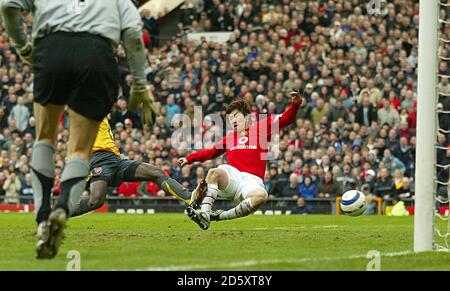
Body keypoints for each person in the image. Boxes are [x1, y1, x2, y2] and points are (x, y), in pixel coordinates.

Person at [0, 0, 157, 259]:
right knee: (80, 149)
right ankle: (62, 209)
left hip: (52, 50)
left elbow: (7, 5)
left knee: (44, 139)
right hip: (97, 55)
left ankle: (43, 219)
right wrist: (140, 83)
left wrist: (23, 47)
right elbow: (132, 33)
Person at [178, 90, 304, 230]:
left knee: (261, 196)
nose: (233, 120)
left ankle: (219, 216)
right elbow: (211, 152)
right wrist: (189, 158)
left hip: (252, 181)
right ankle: (205, 214)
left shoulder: (261, 127)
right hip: (233, 177)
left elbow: (286, 118)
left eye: (236, 116)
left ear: (246, 117)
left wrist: (296, 103)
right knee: (214, 172)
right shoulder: (230, 137)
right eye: (230, 118)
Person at [70, 117, 204, 217]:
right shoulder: (87, 108)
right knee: (96, 201)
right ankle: (60, 212)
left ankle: (190, 198)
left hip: (115, 159)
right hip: (98, 158)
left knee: (156, 172)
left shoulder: (103, 111)